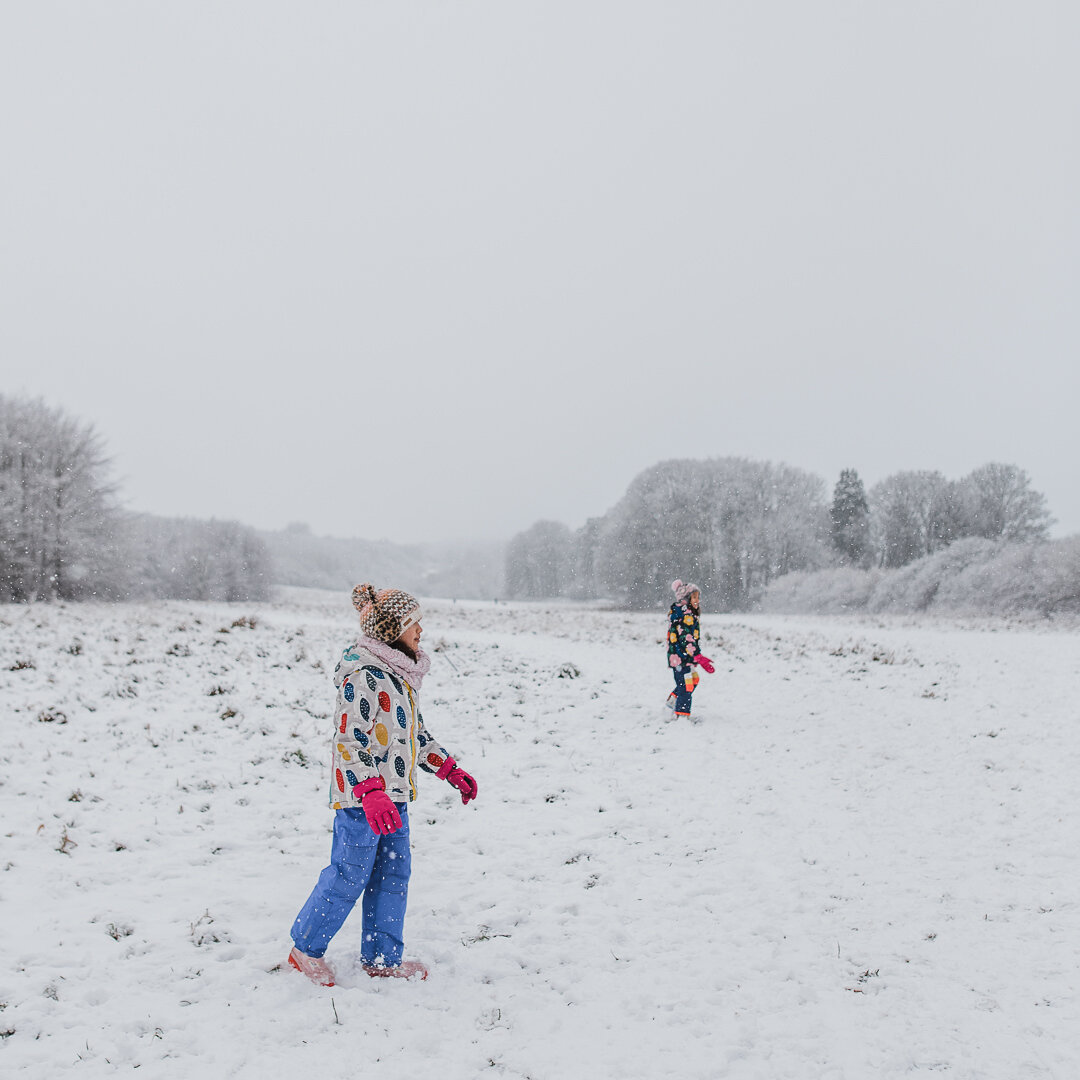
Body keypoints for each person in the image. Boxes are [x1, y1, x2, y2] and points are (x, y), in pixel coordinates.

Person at [287, 583, 478, 986]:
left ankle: (382, 957)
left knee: (393, 875)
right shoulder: (364, 675)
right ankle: (305, 947)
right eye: (414, 625)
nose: (421, 631)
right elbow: (348, 739)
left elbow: (415, 736)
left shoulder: (402, 677)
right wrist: (370, 792)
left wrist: (449, 769)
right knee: (349, 874)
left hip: (395, 799)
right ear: (393, 632)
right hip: (362, 801)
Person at [665, 579, 714, 719]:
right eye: (694, 597)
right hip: (681, 658)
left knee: (693, 680)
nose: (697, 600)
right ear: (686, 598)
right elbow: (686, 638)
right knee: (686, 686)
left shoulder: (687, 613)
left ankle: (673, 699)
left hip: (683, 657)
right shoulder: (685, 615)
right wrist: (698, 656)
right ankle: (681, 715)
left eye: (698, 597)